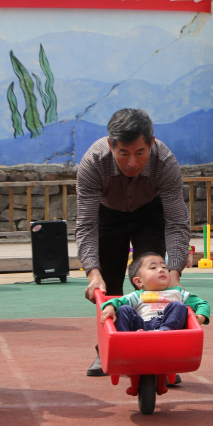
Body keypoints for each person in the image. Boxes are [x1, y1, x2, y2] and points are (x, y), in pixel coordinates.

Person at [76, 108, 190, 377]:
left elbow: (177, 222)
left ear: (151, 143)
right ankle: (107, 350)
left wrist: (174, 273)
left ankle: (161, 354)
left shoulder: (165, 161)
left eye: (140, 153)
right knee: (109, 287)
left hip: (149, 214)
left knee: (155, 282)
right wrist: (93, 273)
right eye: (123, 153)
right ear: (110, 145)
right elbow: (86, 225)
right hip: (107, 216)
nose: (131, 163)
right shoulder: (93, 162)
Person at [99, 252, 210, 332]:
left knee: (179, 306)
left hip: (169, 325)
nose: (161, 270)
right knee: (123, 309)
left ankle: (165, 331)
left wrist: (200, 317)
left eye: (164, 267)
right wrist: (110, 307)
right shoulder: (137, 296)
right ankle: (125, 339)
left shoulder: (177, 292)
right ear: (139, 281)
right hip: (142, 328)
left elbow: (202, 303)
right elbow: (117, 301)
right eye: (153, 268)